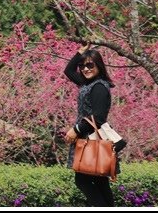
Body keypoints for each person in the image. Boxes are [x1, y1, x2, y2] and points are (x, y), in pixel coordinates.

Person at [63, 42, 116, 207]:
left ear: (98, 65)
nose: (85, 69)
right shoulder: (87, 84)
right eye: (82, 66)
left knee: (83, 181)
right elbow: (68, 71)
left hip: (92, 140)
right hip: (89, 139)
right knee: (99, 182)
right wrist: (80, 53)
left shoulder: (99, 87)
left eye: (90, 65)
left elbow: (98, 118)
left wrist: (76, 130)